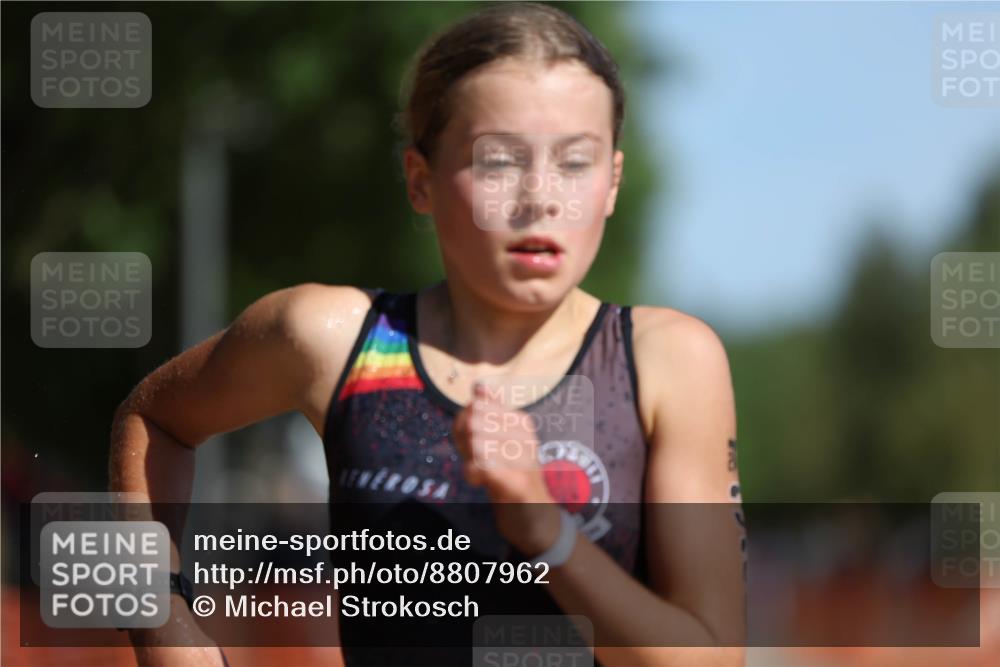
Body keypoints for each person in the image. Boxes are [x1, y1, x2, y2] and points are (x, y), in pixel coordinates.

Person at [109, 3, 746, 666]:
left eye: (575, 163)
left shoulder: (665, 360)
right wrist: (166, 634)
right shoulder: (332, 339)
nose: (540, 197)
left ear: (612, 182)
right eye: (498, 162)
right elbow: (152, 418)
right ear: (421, 180)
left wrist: (544, 529)